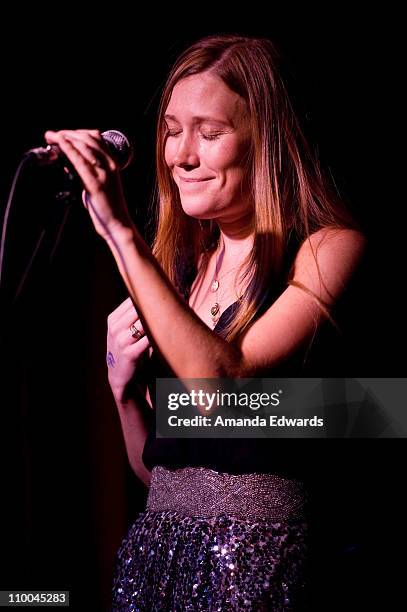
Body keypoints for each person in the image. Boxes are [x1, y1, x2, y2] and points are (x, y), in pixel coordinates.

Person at [45, 34, 365, 611]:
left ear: (264, 142)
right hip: (160, 567)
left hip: (265, 576)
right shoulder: (180, 274)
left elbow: (223, 384)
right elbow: (167, 479)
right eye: (171, 130)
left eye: (210, 133)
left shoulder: (328, 251)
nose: (181, 155)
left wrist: (120, 232)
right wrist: (124, 396)